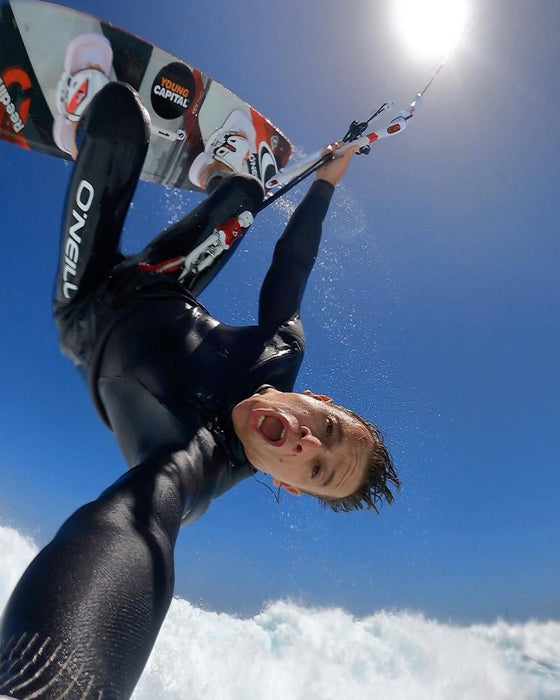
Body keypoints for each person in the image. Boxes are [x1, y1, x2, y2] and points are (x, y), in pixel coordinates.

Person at [0, 82, 400, 698]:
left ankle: (80, 141)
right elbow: (292, 264)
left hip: (86, 314)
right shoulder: (282, 350)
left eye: (316, 468)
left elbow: (134, 531)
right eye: (327, 428)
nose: (305, 441)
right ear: (319, 400)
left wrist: (51, 683)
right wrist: (327, 179)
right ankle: (213, 175)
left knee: (118, 120)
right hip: (166, 278)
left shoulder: (195, 465)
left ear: (288, 484)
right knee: (248, 194)